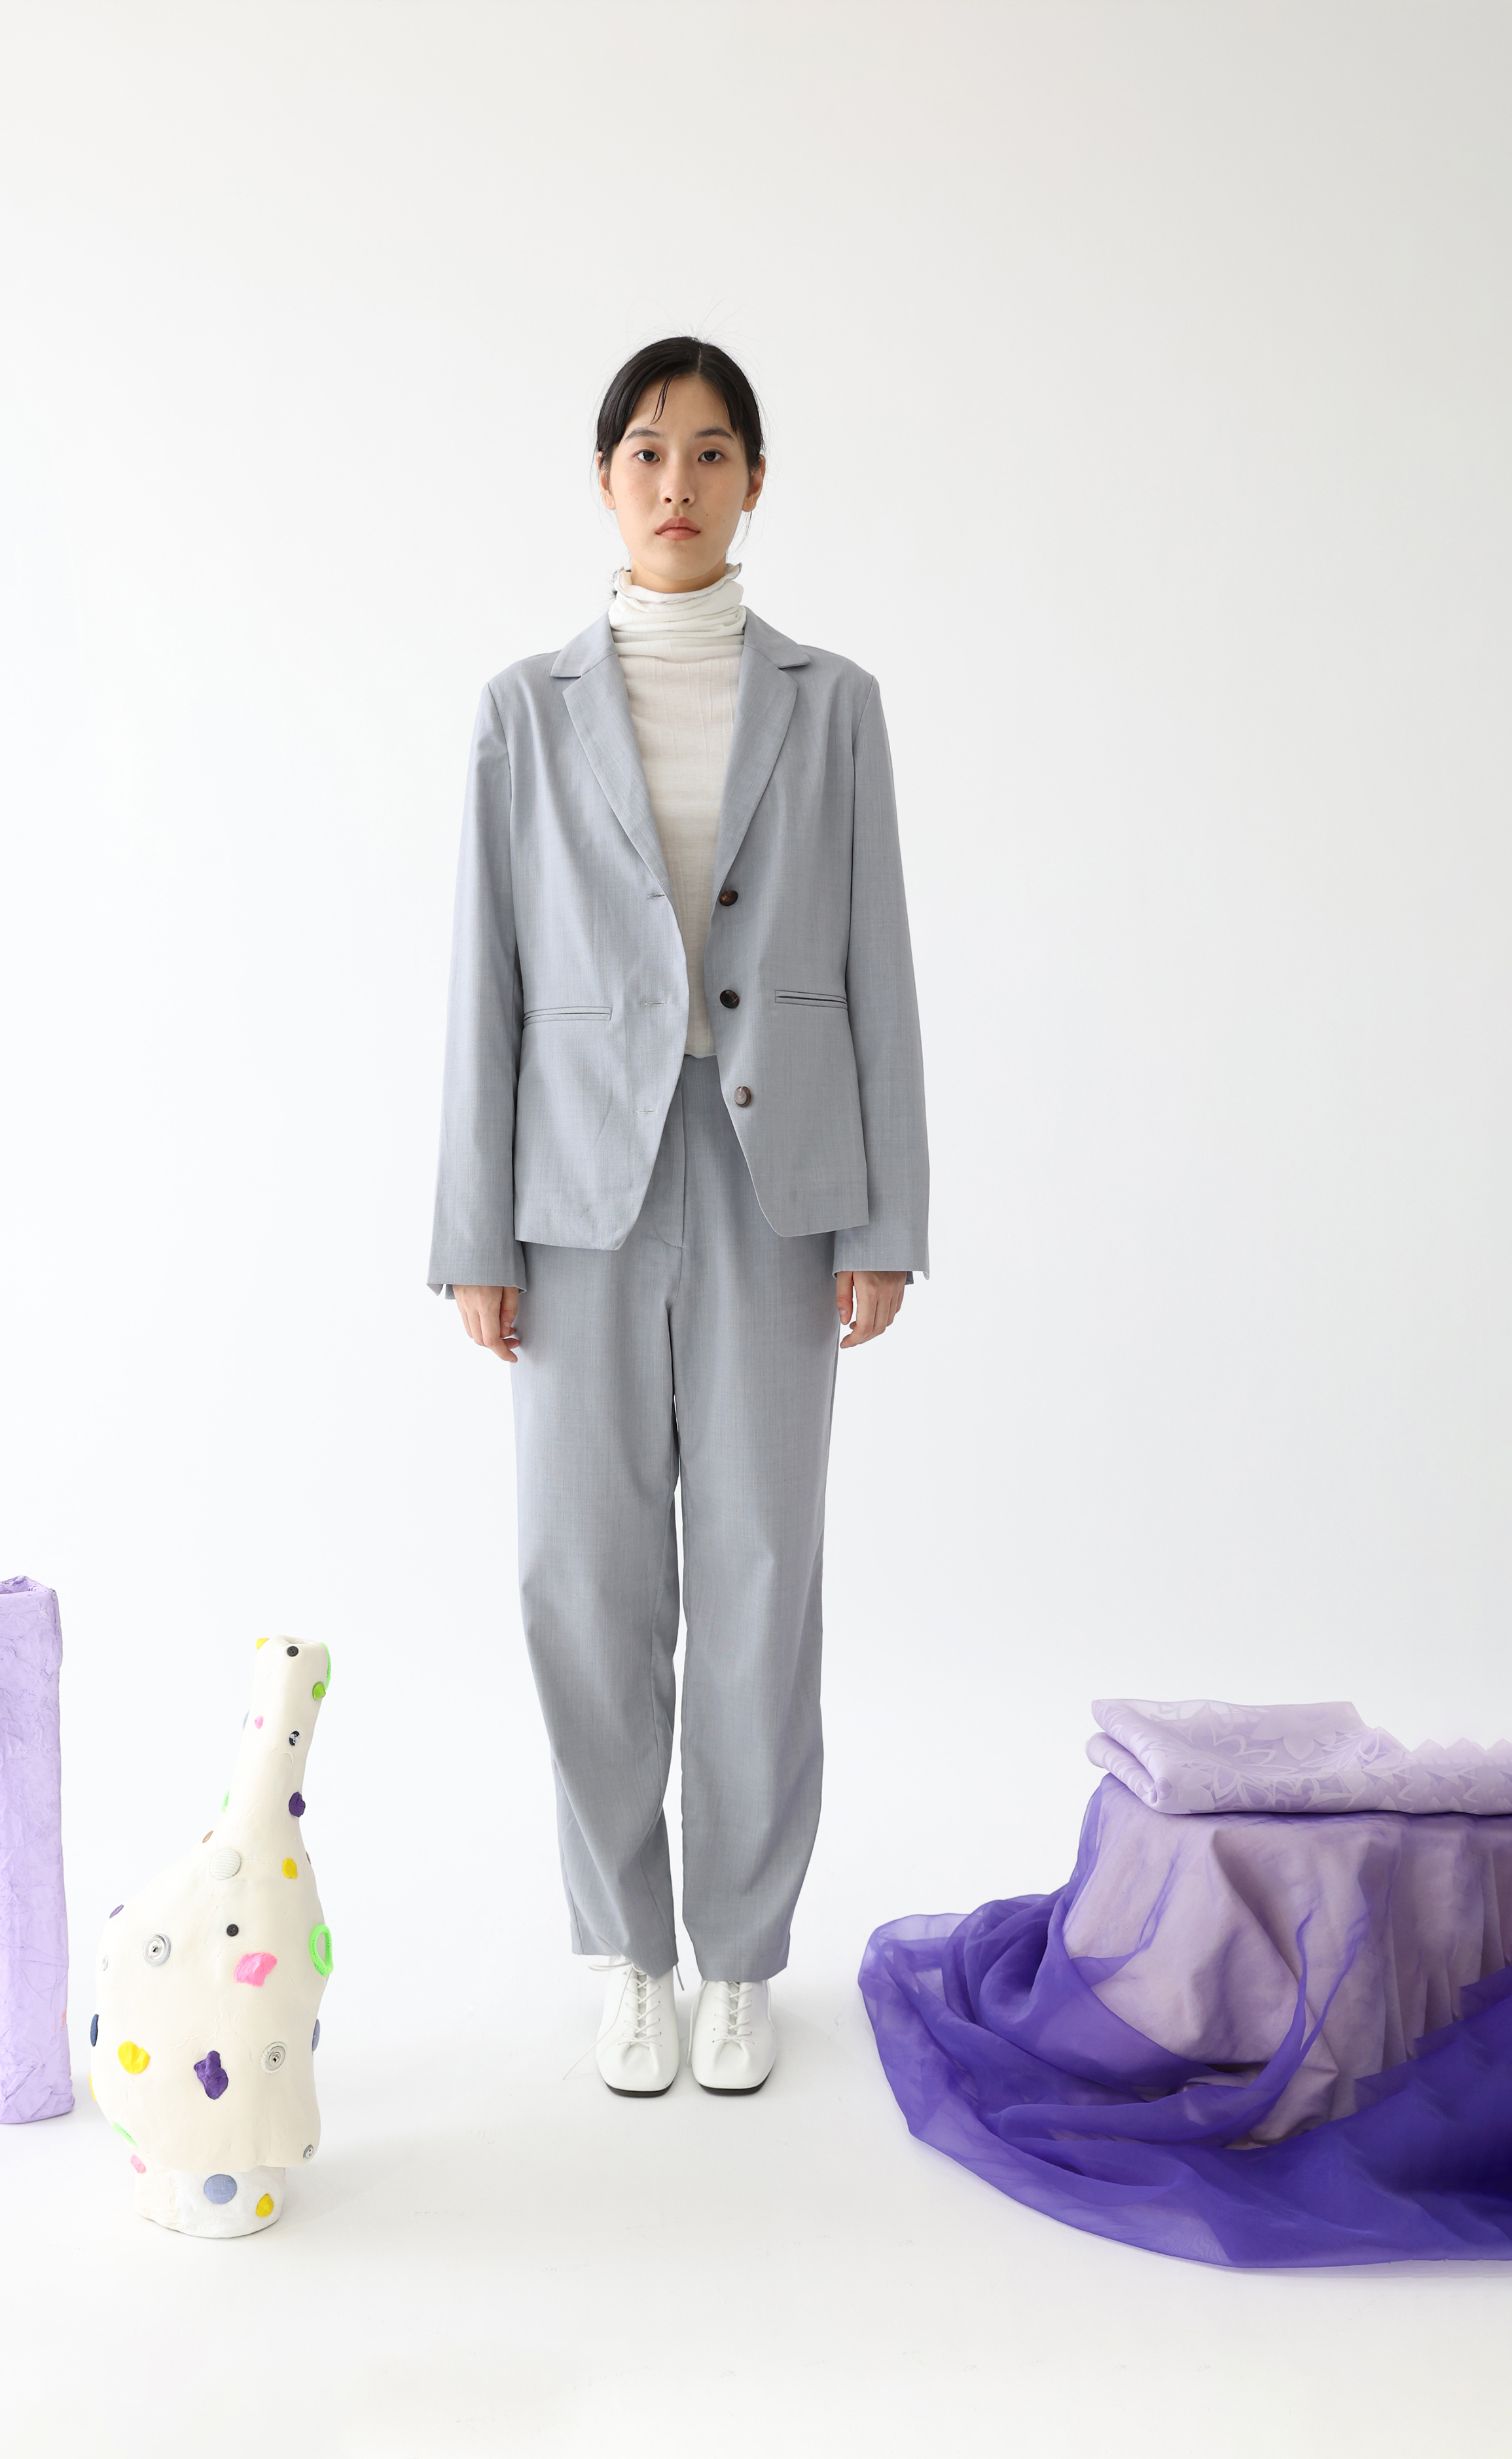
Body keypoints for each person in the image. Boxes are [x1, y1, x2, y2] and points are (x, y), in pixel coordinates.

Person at [428, 336, 928, 2096]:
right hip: (576, 1188)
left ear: (755, 483)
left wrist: (887, 1213)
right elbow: (484, 978)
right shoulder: (523, 710)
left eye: (712, 452)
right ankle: (627, 1951)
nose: (677, 482)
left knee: (764, 1572)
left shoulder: (834, 703)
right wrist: (473, 1236)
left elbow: (877, 962)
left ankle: (741, 1956)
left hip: (781, 1183)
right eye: (647, 450)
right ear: (604, 480)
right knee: (580, 1576)